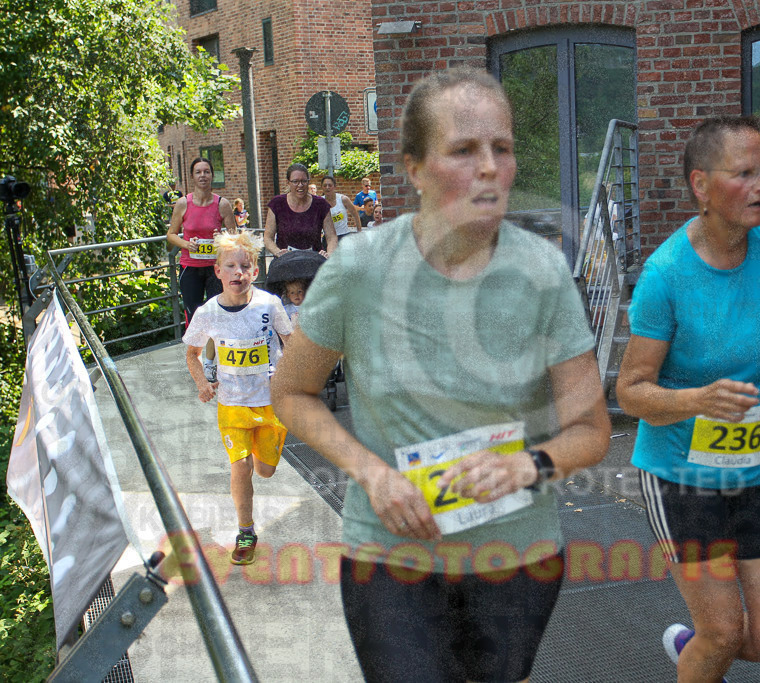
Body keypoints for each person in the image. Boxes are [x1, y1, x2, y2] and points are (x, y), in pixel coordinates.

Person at [271, 67, 610, 683]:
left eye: (501, 149)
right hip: (389, 550)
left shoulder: (543, 273)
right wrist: (372, 474)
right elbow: (291, 393)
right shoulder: (358, 269)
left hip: (516, 553)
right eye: (464, 150)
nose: (489, 168)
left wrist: (525, 465)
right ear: (416, 169)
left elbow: (591, 429)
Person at [615, 116, 760, 683]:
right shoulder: (666, 275)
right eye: (744, 173)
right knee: (723, 631)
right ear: (701, 184)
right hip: (682, 476)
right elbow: (631, 392)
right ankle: (706, 651)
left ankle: (693, 650)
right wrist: (699, 399)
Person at [183, 230, 294, 565]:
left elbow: (291, 342)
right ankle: (245, 531)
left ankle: (265, 461)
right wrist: (203, 383)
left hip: (269, 401)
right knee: (240, 467)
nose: (238, 273)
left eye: (245, 266)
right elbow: (192, 353)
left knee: (264, 470)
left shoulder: (269, 305)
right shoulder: (207, 314)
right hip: (231, 404)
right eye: (229, 266)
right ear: (217, 271)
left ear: (255, 272)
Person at [166, 157, 235, 382]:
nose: (203, 176)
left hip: (215, 268)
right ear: (192, 176)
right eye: (198, 172)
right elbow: (171, 235)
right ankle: (193, 360)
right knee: (195, 315)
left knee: (216, 314)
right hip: (191, 267)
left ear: (212, 175)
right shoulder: (183, 204)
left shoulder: (222, 204)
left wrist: (222, 238)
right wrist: (186, 244)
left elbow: (235, 237)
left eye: (207, 171)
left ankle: (210, 362)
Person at [264, 163, 337, 257]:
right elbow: (268, 237)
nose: (300, 185)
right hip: (284, 263)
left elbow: (331, 237)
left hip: (314, 261)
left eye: (304, 181)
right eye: (295, 181)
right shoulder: (277, 204)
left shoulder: (321, 204)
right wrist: (277, 252)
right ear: (288, 182)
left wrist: (329, 254)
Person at [321, 175, 360, 241]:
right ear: (322, 187)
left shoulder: (343, 199)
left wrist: (359, 231)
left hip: (343, 236)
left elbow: (355, 215)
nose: (327, 187)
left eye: (330, 185)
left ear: (334, 187)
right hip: (328, 237)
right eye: (325, 185)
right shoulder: (320, 202)